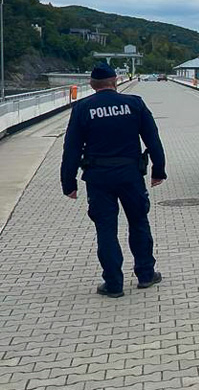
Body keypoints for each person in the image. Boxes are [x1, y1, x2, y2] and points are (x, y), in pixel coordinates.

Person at [60, 62, 167, 298]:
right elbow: (153, 139)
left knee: (105, 229)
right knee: (139, 222)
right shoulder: (134, 104)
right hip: (131, 175)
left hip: (98, 178)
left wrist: (69, 183)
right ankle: (146, 274)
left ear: (91, 84)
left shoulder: (82, 108)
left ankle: (114, 284)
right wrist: (158, 170)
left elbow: (71, 149)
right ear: (115, 81)